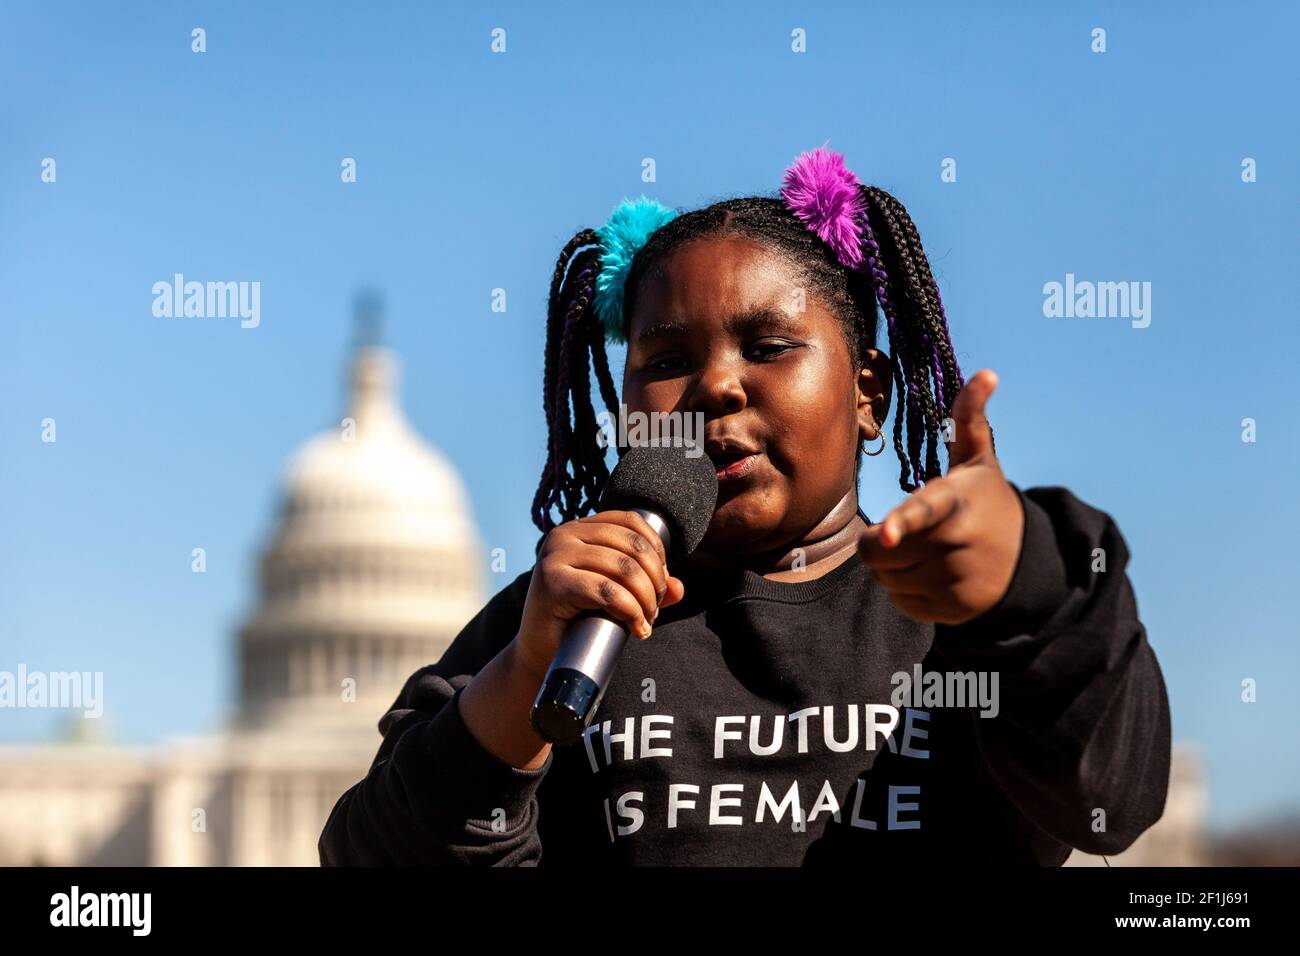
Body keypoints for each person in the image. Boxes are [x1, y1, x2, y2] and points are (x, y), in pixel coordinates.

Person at [318, 146, 1171, 866]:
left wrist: (1028, 584)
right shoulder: (569, 626)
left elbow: (1112, 798)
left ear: (868, 393)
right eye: (665, 358)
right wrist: (519, 682)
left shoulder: (960, 612)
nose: (717, 385)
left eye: (768, 347)